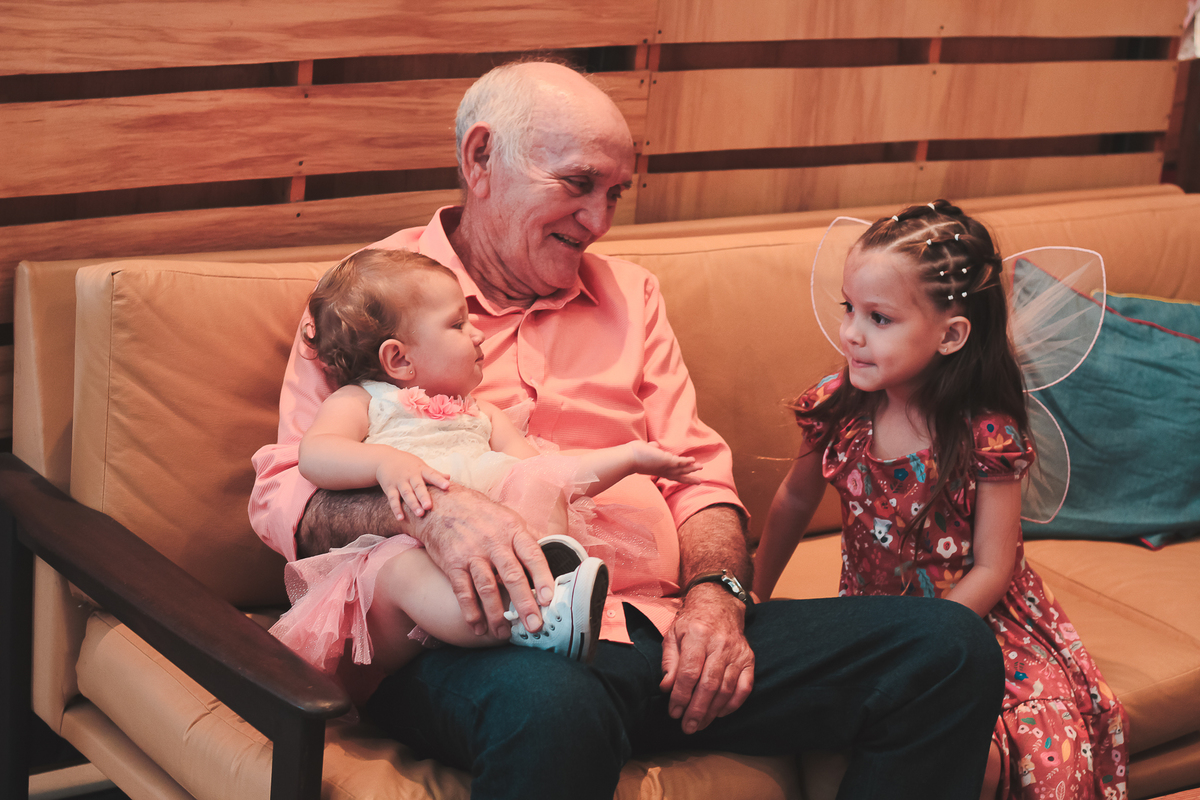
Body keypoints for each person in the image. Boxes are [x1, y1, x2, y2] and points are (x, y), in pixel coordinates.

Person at [251, 59, 1005, 799]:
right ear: (481, 160)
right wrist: (434, 514)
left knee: (947, 648)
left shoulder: (633, 295)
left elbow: (697, 477)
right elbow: (295, 498)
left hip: (657, 626)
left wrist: (718, 598)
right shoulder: (371, 298)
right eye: (577, 184)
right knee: (553, 708)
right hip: (477, 639)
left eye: (614, 192)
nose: (599, 221)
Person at [752, 200, 1128, 800]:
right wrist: (751, 596)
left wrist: (931, 641)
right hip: (876, 622)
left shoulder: (987, 434)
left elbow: (993, 567)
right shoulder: (835, 407)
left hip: (975, 622)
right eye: (850, 309)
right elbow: (793, 502)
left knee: (1039, 757)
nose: (852, 333)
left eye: (879, 318)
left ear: (951, 335)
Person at [270, 247, 700, 686]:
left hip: (495, 567)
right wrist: (384, 462)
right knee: (401, 568)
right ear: (398, 358)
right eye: (458, 324)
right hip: (405, 586)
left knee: (534, 483)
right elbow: (315, 455)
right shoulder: (363, 401)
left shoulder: (483, 415)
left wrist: (629, 458)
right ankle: (525, 621)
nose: (477, 334)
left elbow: (548, 474)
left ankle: (544, 586)